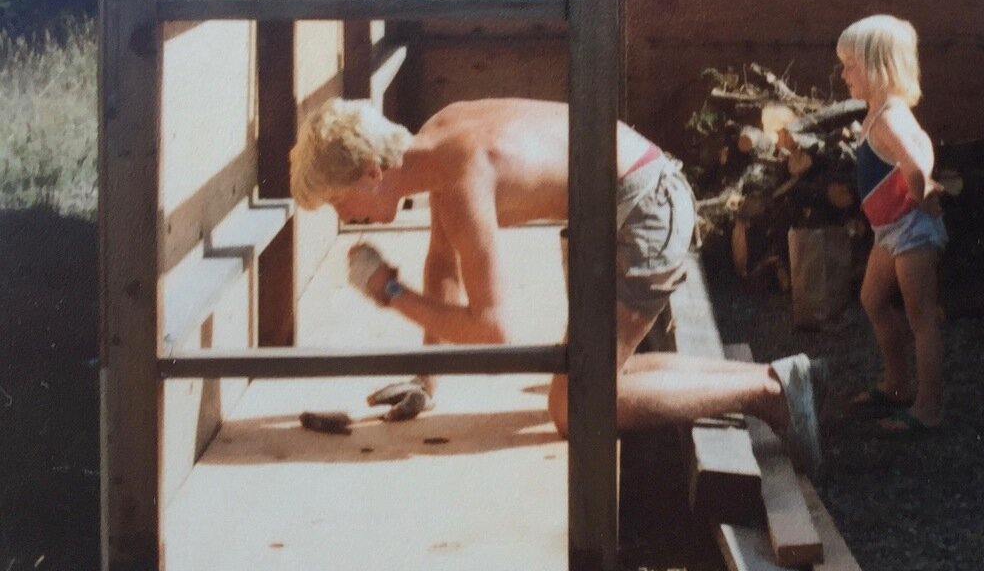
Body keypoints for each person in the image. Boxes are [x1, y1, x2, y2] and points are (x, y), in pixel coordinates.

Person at [289, 96, 823, 473]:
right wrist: (428, 379)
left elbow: (495, 329)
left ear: (371, 173)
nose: (345, 215)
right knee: (589, 371)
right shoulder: (437, 139)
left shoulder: (459, 176)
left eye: (339, 200)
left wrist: (390, 294)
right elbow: (443, 263)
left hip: (644, 211)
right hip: (631, 200)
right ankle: (778, 378)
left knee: (575, 410)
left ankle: (769, 393)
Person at [838, 15, 948, 433]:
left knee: (921, 317)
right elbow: (922, 150)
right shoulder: (880, 112)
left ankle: (928, 407)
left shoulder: (889, 116)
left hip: (910, 229)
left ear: (879, 67)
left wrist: (923, 198)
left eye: (851, 64)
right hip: (891, 231)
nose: (844, 73)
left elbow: (917, 160)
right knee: (872, 298)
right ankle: (898, 383)